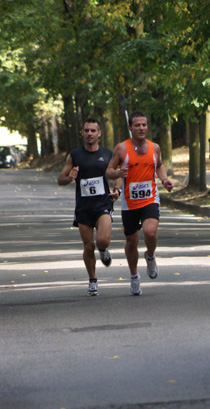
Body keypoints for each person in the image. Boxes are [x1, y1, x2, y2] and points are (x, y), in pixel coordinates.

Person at [106, 110, 173, 296]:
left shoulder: (155, 147)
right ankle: (134, 276)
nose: (141, 128)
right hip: (129, 203)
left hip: (150, 198)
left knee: (150, 232)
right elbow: (109, 170)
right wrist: (118, 174)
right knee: (131, 242)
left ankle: (150, 257)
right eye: (137, 125)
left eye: (144, 124)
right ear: (130, 127)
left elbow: (158, 165)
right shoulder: (121, 148)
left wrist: (164, 179)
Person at [57, 118, 119, 297]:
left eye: (93, 130)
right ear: (82, 133)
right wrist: (70, 178)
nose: (90, 133)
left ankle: (104, 250)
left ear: (99, 133)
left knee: (103, 241)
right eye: (87, 130)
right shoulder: (74, 155)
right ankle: (92, 280)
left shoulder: (108, 154)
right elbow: (60, 179)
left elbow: (117, 174)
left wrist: (118, 189)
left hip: (103, 205)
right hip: (83, 208)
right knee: (88, 246)